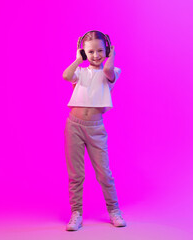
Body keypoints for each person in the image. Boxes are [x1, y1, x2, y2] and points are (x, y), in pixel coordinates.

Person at [62, 30, 126, 231]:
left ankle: (114, 210)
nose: (96, 55)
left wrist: (111, 54)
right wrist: (77, 59)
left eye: (100, 50)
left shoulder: (112, 71)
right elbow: (66, 75)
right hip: (74, 126)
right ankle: (76, 213)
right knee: (76, 174)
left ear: (107, 51)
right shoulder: (80, 73)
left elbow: (107, 69)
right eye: (90, 52)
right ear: (84, 52)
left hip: (96, 128)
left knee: (104, 174)